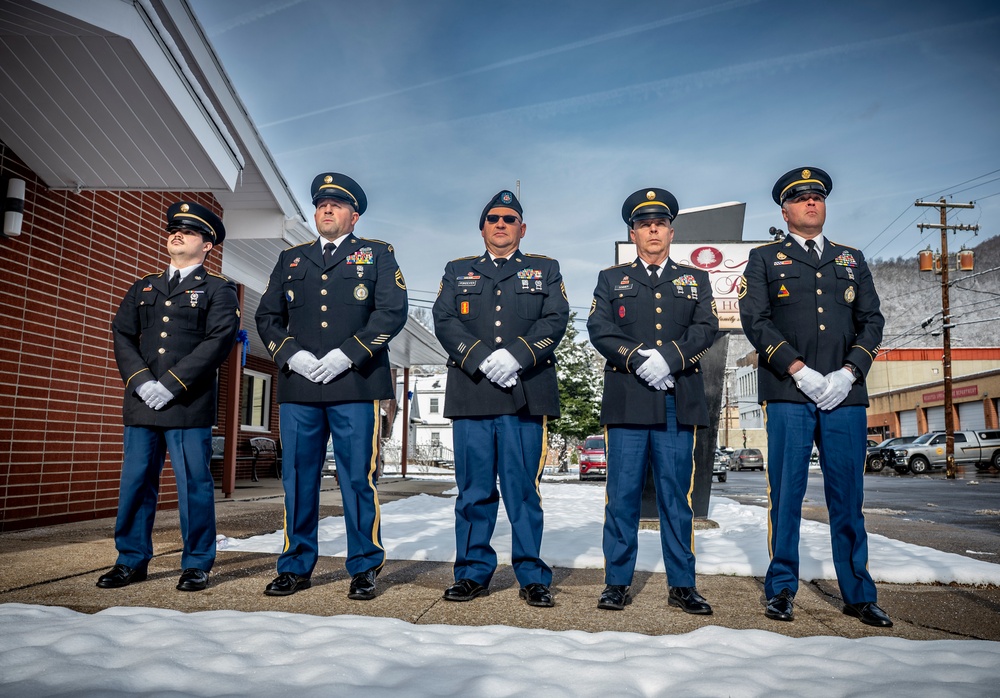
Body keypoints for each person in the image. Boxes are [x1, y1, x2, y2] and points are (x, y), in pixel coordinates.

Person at [738, 166, 891, 627]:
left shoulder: (851, 258)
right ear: (784, 211)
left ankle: (859, 594)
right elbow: (756, 320)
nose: (811, 203)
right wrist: (797, 369)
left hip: (844, 396)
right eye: (801, 198)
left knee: (849, 496)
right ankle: (782, 588)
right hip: (789, 391)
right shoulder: (765, 259)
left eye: (817, 197)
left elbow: (873, 321)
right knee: (787, 493)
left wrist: (850, 371)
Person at [255, 172, 408, 599]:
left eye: (337, 205)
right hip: (301, 388)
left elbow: (392, 312)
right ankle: (295, 565)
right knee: (298, 479)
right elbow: (267, 317)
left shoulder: (377, 255)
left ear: (353, 216)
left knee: (357, 479)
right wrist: (291, 355)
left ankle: (364, 566)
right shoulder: (292, 260)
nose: (326, 209)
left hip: (355, 384)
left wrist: (348, 353)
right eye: (322, 203)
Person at [432, 189, 568, 607]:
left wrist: (516, 356)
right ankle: (472, 573)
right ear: (483, 228)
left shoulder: (545, 269)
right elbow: (444, 318)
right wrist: (481, 358)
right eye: (493, 218)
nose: (501, 224)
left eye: (510, 219)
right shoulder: (458, 270)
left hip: (524, 394)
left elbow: (555, 317)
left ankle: (531, 575)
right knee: (473, 492)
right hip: (473, 394)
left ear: (522, 228)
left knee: (522, 491)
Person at [587, 188, 718, 613]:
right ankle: (617, 583)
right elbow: (600, 329)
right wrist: (636, 360)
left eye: (660, 223)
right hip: (628, 398)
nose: (653, 230)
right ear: (633, 233)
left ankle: (682, 584)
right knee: (622, 496)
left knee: (676, 498)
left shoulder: (693, 279)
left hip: (676, 400)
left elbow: (706, 327)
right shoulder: (611, 279)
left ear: (671, 231)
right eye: (645, 224)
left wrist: (670, 359)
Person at [98, 201, 240, 592]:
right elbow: (121, 333)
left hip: (187, 405)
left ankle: (196, 563)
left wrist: (172, 384)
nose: (177, 235)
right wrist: (142, 381)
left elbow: (218, 341)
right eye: (173, 229)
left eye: (189, 231)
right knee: (136, 483)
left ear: (208, 245)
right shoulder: (144, 286)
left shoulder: (219, 290)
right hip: (143, 401)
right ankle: (130, 560)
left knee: (193, 485)